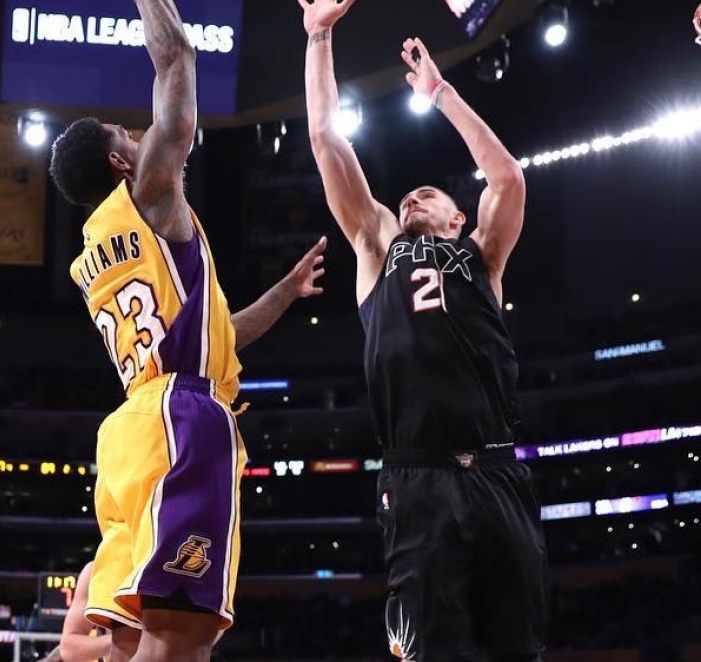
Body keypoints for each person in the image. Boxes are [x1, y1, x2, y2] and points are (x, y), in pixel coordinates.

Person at [48, 2, 325, 662]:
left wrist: (285, 292)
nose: (141, 134)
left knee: (127, 644)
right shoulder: (146, 197)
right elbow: (177, 59)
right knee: (180, 644)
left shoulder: (94, 252)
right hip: (182, 420)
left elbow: (217, 333)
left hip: (132, 433)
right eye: (126, 134)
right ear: (121, 164)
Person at [298, 1, 547, 660]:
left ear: (459, 219)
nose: (411, 197)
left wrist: (441, 95)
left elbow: (508, 177)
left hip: (496, 469)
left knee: (518, 650)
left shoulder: (483, 255)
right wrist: (318, 37)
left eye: (428, 195)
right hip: (417, 477)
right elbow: (325, 138)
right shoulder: (377, 245)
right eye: (406, 195)